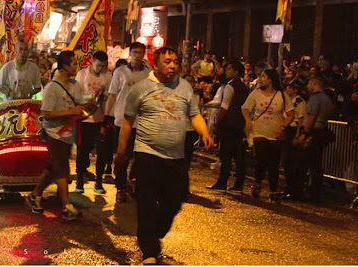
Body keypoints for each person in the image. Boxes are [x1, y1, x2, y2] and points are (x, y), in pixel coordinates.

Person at [116, 47, 213, 265]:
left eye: (175, 62)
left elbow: (194, 114)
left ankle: (154, 232)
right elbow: (128, 122)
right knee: (147, 204)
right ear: (156, 64)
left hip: (176, 158)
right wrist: (121, 151)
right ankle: (149, 251)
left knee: (174, 202)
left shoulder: (185, 87)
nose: (172, 66)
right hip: (147, 155)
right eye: (168, 62)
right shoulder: (141, 88)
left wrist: (204, 132)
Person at [26, 50, 85, 221]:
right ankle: (66, 206)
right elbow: (46, 113)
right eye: (74, 63)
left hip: (69, 134)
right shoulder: (52, 87)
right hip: (54, 134)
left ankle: (35, 194)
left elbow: (80, 105)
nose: (76, 67)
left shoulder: (75, 86)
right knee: (62, 170)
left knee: (53, 169)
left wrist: (83, 111)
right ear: (65, 67)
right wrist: (70, 112)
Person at [105, 41, 150, 202]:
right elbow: (112, 94)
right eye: (135, 53)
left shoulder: (148, 74)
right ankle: (120, 187)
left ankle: (134, 182)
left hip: (143, 121)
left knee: (141, 156)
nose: (137, 56)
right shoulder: (120, 72)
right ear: (130, 54)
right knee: (122, 155)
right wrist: (107, 115)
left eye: (140, 53)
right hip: (122, 120)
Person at [242, 69, 294, 201]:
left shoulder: (282, 95)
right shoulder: (256, 93)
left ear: (270, 79)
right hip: (259, 132)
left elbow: (290, 114)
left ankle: (273, 189)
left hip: (276, 134)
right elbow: (245, 108)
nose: (261, 79)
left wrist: (283, 127)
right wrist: (248, 120)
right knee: (261, 160)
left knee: (273, 164)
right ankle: (258, 183)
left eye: (263, 77)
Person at [207, 60, 249, 193]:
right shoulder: (243, 87)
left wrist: (217, 122)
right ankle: (238, 184)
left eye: (230, 69)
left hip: (229, 124)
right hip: (239, 123)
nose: (227, 71)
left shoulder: (230, 87)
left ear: (236, 72)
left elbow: (225, 107)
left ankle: (222, 182)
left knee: (226, 155)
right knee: (238, 156)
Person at [74, 51, 111, 194]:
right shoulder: (82, 75)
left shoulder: (107, 77)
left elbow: (108, 98)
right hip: (84, 119)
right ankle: (79, 181)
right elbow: (76, 96)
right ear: (92, 61)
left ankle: (99, 182)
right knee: (82, 150)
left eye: (103, 66)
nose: (100, 68)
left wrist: (105, 115)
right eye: (98, 65)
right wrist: (88, 99)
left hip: (99, 119)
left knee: (101, 151)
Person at [295, 74, 335, 203]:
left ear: (314, 83)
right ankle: (315, 193)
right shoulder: (327, 98)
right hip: (321, 131)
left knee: (305, 163)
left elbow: (311, 117)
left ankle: (305, 192)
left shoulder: (315, 98)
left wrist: (304, 133)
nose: (307, 86)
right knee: (316, 165)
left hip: (313, 133)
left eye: (309, 83)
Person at [282, 80, 307, 200]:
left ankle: (294, 191)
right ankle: (288, 188)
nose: (288, 89)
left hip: (293, 131)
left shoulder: (299, 102)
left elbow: (301, 120)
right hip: (287, 130)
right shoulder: (287, 101)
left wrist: (297, 136)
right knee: (286, 162)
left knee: (293, 162)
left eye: (290, 87)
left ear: (296, 90)